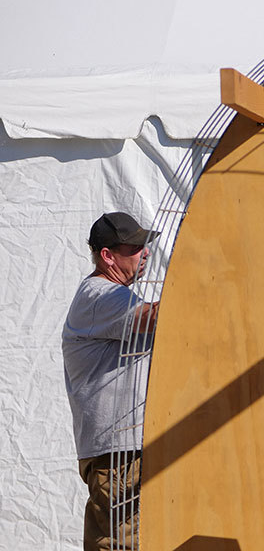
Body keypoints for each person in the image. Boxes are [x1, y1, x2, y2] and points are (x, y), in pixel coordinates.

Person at [62, 212, 160, 551]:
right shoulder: (101, 295)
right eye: (136, 247)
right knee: (119, 542)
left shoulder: (110, 295)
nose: (146, 252)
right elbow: (156, 316)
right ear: (108, 256)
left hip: (121, 448)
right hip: (117, 451)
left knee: (123, 539)